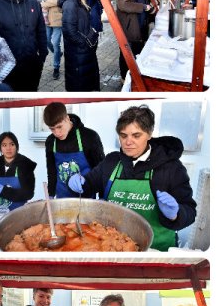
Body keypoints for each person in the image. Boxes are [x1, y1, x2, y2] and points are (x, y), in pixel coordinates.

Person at [68, 105, 196, 251]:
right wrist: (78, 183)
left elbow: (190, 211)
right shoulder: (111, 161)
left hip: (156, 251)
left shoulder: (172, 168)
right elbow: (88, 186)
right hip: (112, 246)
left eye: (136, 135)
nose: (128, 142)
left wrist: (176, 214)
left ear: (149, 134)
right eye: (123, 135)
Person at [43, 102, 104, 199]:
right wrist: (51, 195)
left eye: (59, 127)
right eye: (52, 129)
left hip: (85, 198)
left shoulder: (89, 137)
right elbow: (52, 171)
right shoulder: (50, 141)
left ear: (67, 118)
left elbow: (101, 170)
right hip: (62, 198)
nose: (57, 133)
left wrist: (102, 196)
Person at [59, 0, 100, 92]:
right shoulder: (70, 3)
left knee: (86, 83)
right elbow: (69, 31)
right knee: (80, 85)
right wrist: (86, 43)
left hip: (83, 52)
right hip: (78, 53)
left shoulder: (78, 0)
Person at [0, 131, 37, 211]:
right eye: (4, 145)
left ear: (16, 146)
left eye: (12, 144)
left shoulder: (25, 166)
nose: (8, 148)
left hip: (17, 214)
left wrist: (3, 191)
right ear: (0, 148)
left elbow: (28, 193)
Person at [115, 0, 155, 80]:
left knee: (137, 53)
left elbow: (145, 5)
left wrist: (150, 10)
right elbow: (123, 5)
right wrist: (142, 7)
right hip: (128, 30)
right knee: (126, 56)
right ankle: (124, 78)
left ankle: (134, 77)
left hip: (139, 29)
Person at [40, 0, 68, 80]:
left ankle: (56, 67)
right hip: (46, 17)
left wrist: (45, 2)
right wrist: (47, 0)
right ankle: (59, 53)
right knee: (46, 40)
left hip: (58, 18)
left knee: (56, 43)